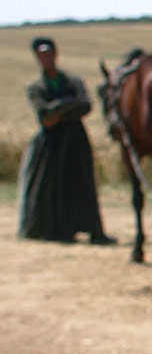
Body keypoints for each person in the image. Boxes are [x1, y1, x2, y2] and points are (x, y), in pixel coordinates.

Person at [17, 36, 114, 244]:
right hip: (51, 143)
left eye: (50, 53)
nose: (47, 58)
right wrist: (68, 104)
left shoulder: (73, 81)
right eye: (42, 55)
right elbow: (45, 117)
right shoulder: (36, 87)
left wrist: (58, 110)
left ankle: (90, 229)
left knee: (83, 183)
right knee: (53, 187)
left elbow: (85, 106)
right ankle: (58, 229)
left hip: (75, 139)